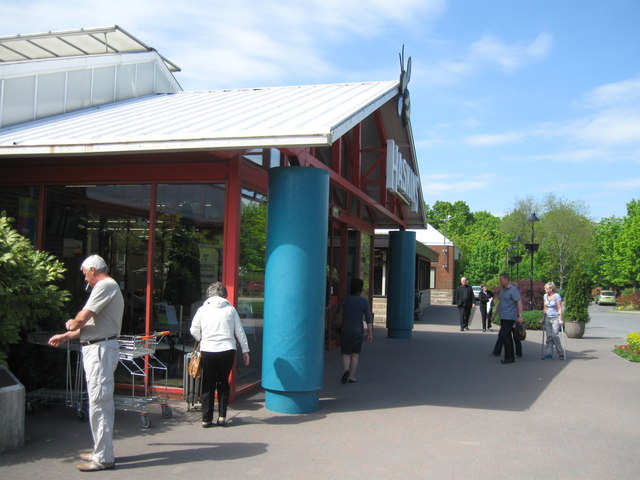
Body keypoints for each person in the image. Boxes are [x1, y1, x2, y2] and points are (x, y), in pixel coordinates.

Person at [49, 255, 124, 471]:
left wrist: (72, 324)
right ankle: (101, 451)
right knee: (99, 403)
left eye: (84, 273)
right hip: (99, 347)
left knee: (99, 404)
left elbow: (82, 318)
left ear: (93, 269)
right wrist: (66, 335)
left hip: (100, 350)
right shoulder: (108, 288)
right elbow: (90, 325)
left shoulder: (105, 285)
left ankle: (103, 457)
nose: (85, 278)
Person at [190, 281, 250, 428]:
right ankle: (222, 416)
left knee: (208, 383)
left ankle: (206, 419)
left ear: (209, 295)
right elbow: (239, 331)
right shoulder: (231, 309)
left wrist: (202, 339)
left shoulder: (202, 310)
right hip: (227, 349)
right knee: (223, 382)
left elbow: (194, 330)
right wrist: (245, 350)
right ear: (224, 294)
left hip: (208, 349)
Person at [340, 278, 373, 384]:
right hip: (358, 330)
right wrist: (370, 333)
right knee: (355, 354)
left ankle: (346, 371)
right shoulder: (364, 301)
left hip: (346, 328)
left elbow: (339, 311)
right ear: (361, 288)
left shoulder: (346, 299)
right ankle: (352, 376)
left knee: (345, 353)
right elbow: (368, 318)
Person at [490, 273, 523, 364]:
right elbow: (500, 304)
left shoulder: (513, 289)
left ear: (506, 279)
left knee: (503, 335)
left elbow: (519, 302)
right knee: (506, 336)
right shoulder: (502, 290)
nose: (500, 282)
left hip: (510, 317)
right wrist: (494, 315)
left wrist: (520, 316)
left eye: (501, 280)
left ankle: (509, 357)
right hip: (503, 316)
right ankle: (510, 357)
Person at [541, 282, 565, 359]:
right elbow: (545, 307)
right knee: (549, 337)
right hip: (548, 317)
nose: (545, 289)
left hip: (555, 318)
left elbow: (559, 308)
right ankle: (549, 353)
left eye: (546, 288)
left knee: (554, 336)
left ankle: (561, 353)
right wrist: (543, 318)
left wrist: (560, 319)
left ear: (551, 289)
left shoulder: (557, 296)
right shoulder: (545, 296)